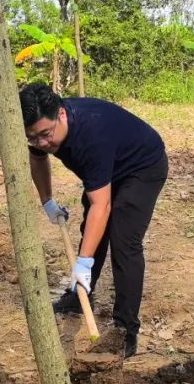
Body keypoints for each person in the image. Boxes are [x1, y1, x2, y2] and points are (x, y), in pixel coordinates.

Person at [19, 81, 168, 358]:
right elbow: (37, 159)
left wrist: (83, 262)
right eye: (33, 137)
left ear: (61, 114)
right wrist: (47, 200)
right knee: (93, 230)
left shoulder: (91, 135)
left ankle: (126, 330)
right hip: (110, 166)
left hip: (143, 166)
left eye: (45, 134)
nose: (41, 143)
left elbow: (102, 204)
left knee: (124, 241)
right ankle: (80, 295)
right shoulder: (42, 127)